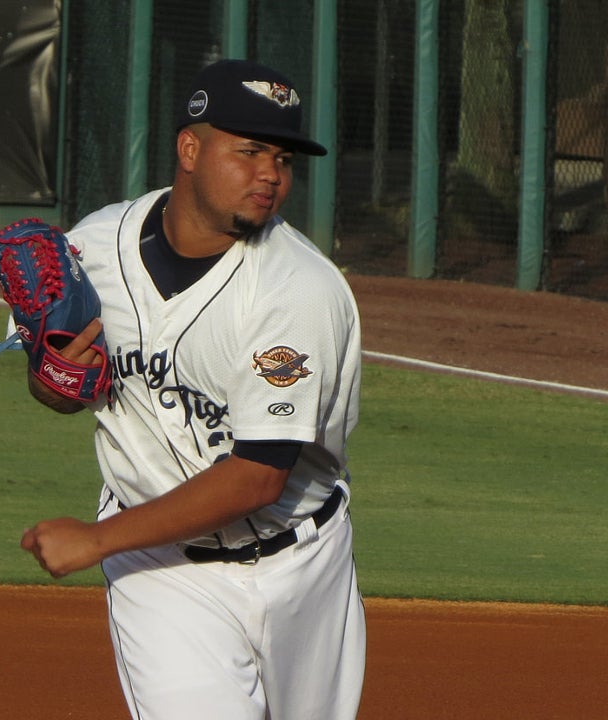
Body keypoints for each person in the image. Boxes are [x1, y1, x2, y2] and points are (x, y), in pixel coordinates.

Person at [19, 58, 365, 720]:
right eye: (251, 150)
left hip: (302, 565)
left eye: (284, 158)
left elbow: (259, 477)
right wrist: (53, 377)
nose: (272, 173)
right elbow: (58, 389)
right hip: (159, 572)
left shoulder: (297, 291)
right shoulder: (93, 249)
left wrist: (95, 541)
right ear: (189, 147)